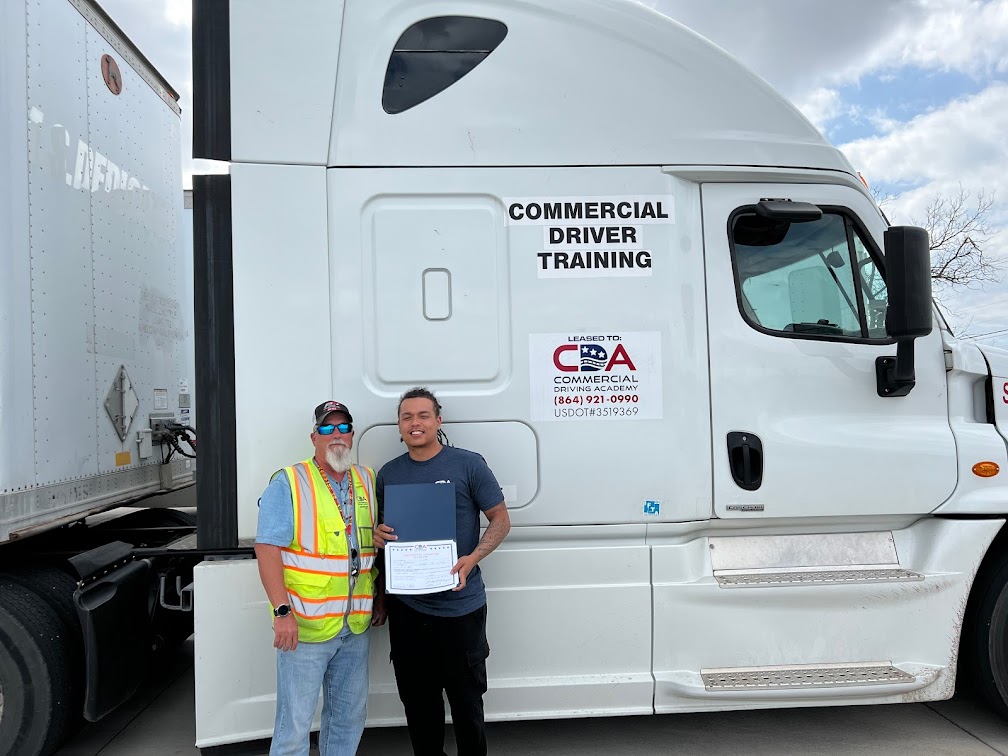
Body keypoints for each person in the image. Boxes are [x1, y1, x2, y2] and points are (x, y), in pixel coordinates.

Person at [374, 387, 511, 756]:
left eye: (422, 416)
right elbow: (385, 536)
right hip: (408, 611)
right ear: (399, 426)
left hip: (460, 609)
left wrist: (474, 557)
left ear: (438, 420)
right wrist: (377, 537)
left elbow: (500, 519)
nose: (415, 423)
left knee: (467, 706)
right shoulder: (388, 474)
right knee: (419, 710)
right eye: (407, 417)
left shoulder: (468, 464)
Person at [254, 400, 385, 756]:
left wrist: (379, 597)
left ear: (353, 434)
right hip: (305, 627)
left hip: (354, 628)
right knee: (294, 726)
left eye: (344, 427)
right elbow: (266, 550)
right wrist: (282, 613)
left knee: (348, 719)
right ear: (314, 437)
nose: (336, 435)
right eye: (327, 428)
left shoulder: (367, 479)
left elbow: (366, 544)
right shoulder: (289, 482)